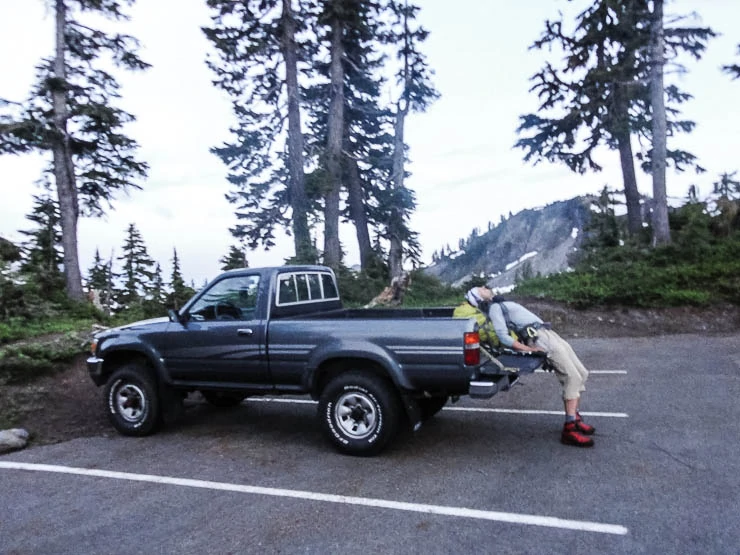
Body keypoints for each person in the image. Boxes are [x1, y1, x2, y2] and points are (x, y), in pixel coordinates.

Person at [463, 286, 595, 448]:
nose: (485, 287)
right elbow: (503, 336)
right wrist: (530, 349)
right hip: (539, 338)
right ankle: (570, 429)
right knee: (572, 378)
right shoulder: (495, 309)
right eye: (480, 289)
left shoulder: (500, 305)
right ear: (479, 298)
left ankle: (575, 417)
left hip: (548, 333)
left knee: (582, 373)